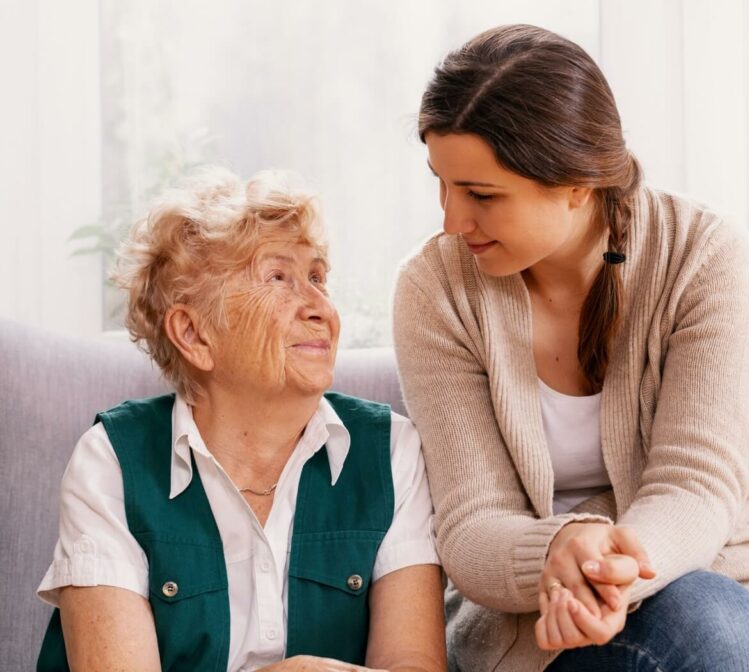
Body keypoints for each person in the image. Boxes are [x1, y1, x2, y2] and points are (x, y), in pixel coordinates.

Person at [392, 24, 749, 672]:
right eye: (441, 183)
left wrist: (606, 564)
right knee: (710, 624)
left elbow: (697, 485)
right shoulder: (435, 288)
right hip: (534, 619)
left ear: (576, 184)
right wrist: (561, 550)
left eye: (481, 195)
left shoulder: (704, 257)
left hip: (714, 566)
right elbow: (473, 526)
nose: (451, 219)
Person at [36, 168, 446, 672]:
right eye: (279, 278)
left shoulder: (390, 451)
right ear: (194, 333)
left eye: (318, 277)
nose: (321, 308)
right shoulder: (112, 462)